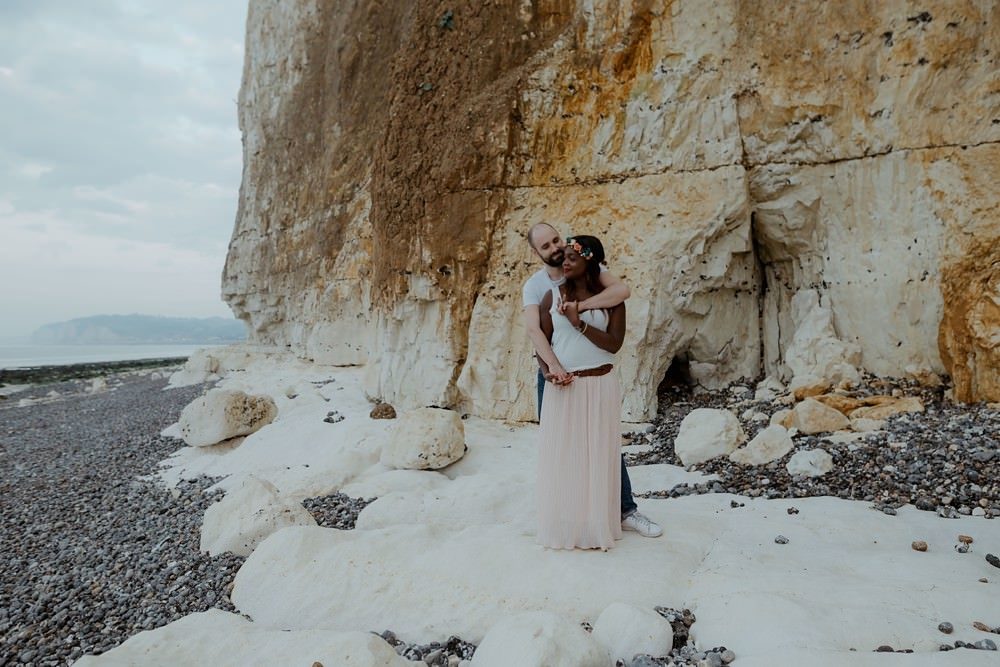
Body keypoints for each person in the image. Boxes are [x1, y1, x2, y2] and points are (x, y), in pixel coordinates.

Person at [522, 223, 662, 539]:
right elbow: (535, 332)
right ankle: (571, 514)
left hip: (597, 377)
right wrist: (552, 368)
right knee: (561, 446)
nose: (555, 249)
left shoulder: (592, 272)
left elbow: (621, 292)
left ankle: (626, 510)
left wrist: (580, 310)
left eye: (556, 240)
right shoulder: (537, 287)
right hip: (554, 373)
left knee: (604, 442)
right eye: (546, 246)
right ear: (537, 253)